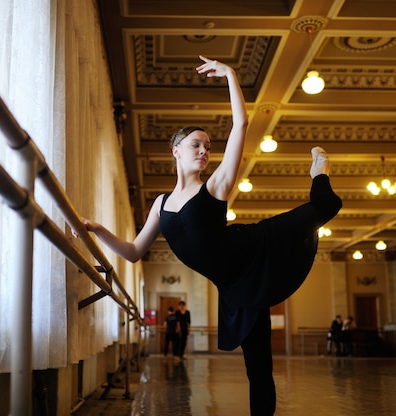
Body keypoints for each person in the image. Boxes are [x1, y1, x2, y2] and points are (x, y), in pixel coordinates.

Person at [81, 56, 342, 415]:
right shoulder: (160, 204)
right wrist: (98, 230)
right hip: (235, 288)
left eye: (207, 146)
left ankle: (320, 173)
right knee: (258, 368)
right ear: (175, 150)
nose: (204, 150)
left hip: (256, 247)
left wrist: (231, 75)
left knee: (324, 207)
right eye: (195, 144)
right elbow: (133, 251)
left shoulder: (216, 187)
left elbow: (241, 124)